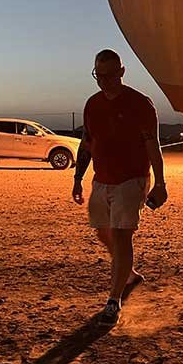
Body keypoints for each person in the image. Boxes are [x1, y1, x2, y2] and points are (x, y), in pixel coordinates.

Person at [72, 49, 168, 326]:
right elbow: (87, 142)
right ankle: (128, 272)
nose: (104, 81)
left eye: (110, 75)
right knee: (102, 231)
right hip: (101, 179)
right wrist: (78, 178)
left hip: (131, 180)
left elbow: (152, 144)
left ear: (122, 72)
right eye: (99, 76)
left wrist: (160, 182)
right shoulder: (92, 104)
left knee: (121, 235)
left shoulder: (140, 104)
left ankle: (113, 300)